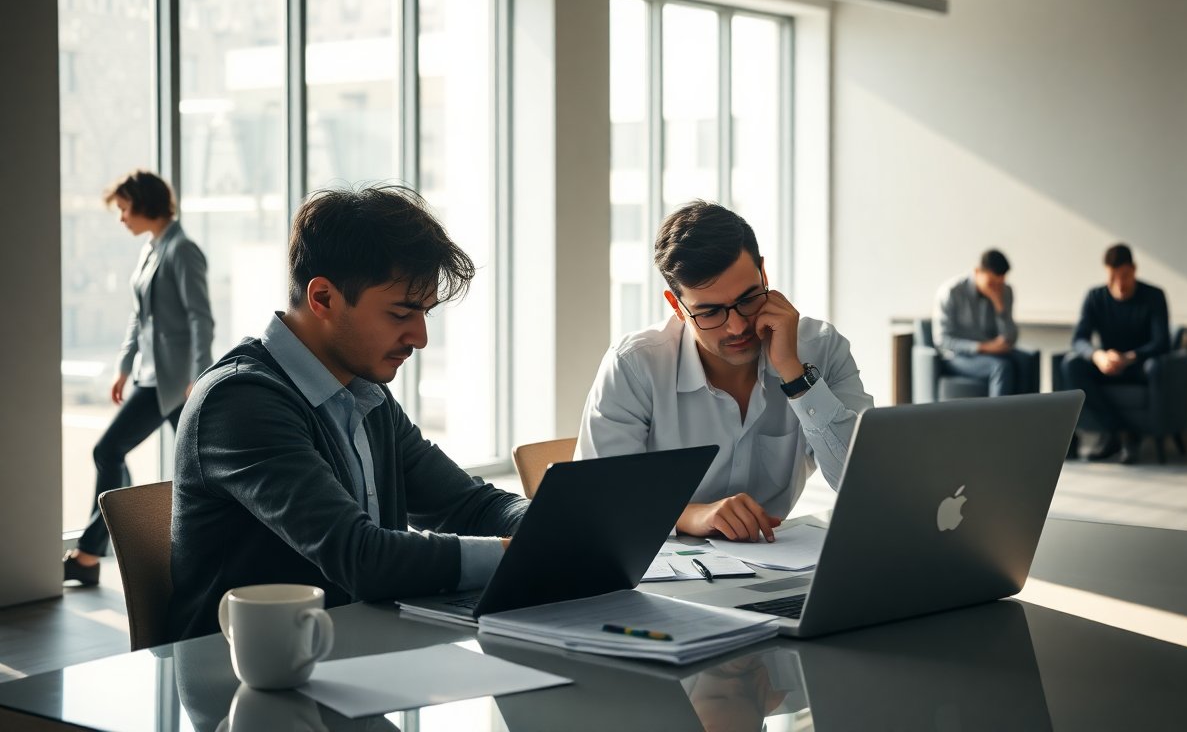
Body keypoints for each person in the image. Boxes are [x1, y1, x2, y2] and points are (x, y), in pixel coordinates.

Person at [167, 185, 527, 640]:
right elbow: (361, 558)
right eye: (401, 314)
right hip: (244, 668)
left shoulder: (364, 395)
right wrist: (522, 553)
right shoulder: (239, 400)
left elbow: (468, 505)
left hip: (355, 652)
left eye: (425, 314)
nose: (420, 338)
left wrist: (548, 526)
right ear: (323, 298)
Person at [576, 201, 873, 544]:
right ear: (677, 306)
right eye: (710, 312)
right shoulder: (634, 366)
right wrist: (690, 515)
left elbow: (865, 484)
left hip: (774, 561)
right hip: (660, 561)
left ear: (763, 275)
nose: (737, 327)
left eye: (748, 299)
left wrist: (796, 377)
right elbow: (600, 502)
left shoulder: (821, 349)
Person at [64, 171, 214, 587]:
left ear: (145, 204)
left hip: (175, 383)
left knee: (110, 450)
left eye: (124, 208)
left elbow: (200, 319)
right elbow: (139, 316)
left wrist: (199, 375)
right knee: (197, 466)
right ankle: (101, 549)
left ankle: (91, 553)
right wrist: (124, 365)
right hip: (152, 378)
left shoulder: (182, 250)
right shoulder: (152, 248)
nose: (121, 218)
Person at [1059, 243, 1171, 465]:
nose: (1119, 284)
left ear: (1134, 269)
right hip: (1106, 365)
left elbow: (1162, 342)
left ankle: (1116, 438)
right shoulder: (1095, 296)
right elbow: (1079, 339)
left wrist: (1129, 357)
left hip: (1138, 366)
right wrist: (1098, 356)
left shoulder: (1154, 296)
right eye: (1113, 277)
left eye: (1125, 276)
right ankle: (1120, 432)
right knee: (1071, 365)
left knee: (1153, 367)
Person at [932, 249, 1022, 396]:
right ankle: (997, 412)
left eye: (1000, 284)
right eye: (991, 284)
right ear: (977, 272)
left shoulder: (1005, 291)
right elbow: (942, 340)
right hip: (959, 356)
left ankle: (1025, 411)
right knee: (1001, 367)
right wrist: (982, 347)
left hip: (994, 353)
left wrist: (1000, 307)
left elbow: (1010, 339)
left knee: (1025, 361)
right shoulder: (951, 292)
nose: (996, 289)